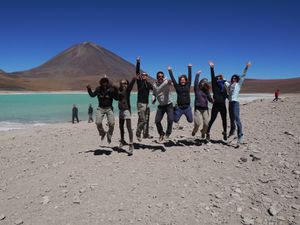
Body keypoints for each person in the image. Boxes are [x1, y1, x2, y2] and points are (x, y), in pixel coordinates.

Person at [86, 76, 118, 144]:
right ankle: (102, 133)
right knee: (98, 123)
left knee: (112, 123)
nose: (104, 83)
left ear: (107, 83)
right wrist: (89, 89)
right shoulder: (98, 89)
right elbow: (92, 95)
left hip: (109, 108)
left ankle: (109, 134)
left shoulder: (111, 90)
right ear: (101, 83)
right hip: (100, 108)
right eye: (103, 82)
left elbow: (116, 98)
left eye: (105, 82)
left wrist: (116, 90)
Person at [226, 61, 251, 144]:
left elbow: (243, 75)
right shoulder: (229, 85)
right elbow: (223, 81)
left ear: (237, 79)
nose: (234, 79)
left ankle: (240, 135)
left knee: (237, 119)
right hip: (230, 103)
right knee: (231, 119)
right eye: (233, 78)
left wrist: (246, 67)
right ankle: (232, 131)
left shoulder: (238, 84)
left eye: (235, 78)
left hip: (235, 103)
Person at [206, 61, 228, 141]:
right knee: (212, 119)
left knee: (224, 119)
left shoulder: (224, 88)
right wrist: (212, 68)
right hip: (216, 106)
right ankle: (208, 132)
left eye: (220, 78)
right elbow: (212, 77)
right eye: (217, 78)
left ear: (222, 79)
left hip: (223, 106)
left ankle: (225, 132)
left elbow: (227, 96)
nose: (219, 79)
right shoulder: (215, 86)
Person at [135, 57, 153, 141]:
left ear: (147, 76)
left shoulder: (148, 84)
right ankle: (138, 133)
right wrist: (138, 62)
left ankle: (146, 134)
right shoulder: (139, 82)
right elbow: (137, 73)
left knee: (146, 119)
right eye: (143, 75)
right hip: (140, 103)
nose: (144, 76)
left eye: (145, 75)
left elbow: (155, 89)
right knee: (142, 120)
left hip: (146, 103)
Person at [152, 71, 174, 142]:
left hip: (169, 105)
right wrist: (154, 98)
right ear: (157, 77)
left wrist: (170, 81)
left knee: (170, 119)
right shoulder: (154, 85)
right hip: (161, 106)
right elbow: (154, 93)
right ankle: (161, 133)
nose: (160, 77)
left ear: (163, 77)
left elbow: (170, 83)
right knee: (157, 121)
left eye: (162, 76)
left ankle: (168, 133)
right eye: (159, 76)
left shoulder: (166, 82)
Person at [192, 70, 213, 139]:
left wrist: (213, 101)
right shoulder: (196, 89)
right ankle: (194, 131)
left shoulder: (207, 91)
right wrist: (197, 74)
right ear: (200, 82)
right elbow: (195, 82)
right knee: (197, 123)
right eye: (202, 82)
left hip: (205, 109)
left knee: (207, 123)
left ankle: (203, 132)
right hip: (197, 109)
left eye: (205, 82)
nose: (203, 83)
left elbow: (210, 99)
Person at [117, 77, 136, 156]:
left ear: (127, 84)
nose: (123, 85)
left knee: (128, 127)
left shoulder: (127, 91)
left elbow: (131, 85)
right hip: (121, 111)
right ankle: (122, 141)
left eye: (124, 83)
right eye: (121, 83)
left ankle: (131, 144)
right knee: (121, 127)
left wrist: (133, 80)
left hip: (127, 110)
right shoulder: (119, 91)